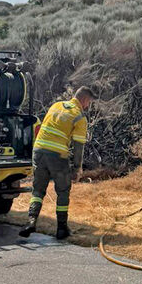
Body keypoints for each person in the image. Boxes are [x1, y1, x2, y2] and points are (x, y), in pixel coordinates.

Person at [19, 87, 93, 240]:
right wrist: (77, 168)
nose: (88, 106)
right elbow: (79, 146)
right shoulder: (79, 117)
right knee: (63, 190)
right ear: (84, 100)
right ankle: (61, 228)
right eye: (89, 103)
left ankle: (31, 221)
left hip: (38, 151)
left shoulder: (56, 105)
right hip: (57, 156)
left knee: (38, 190)